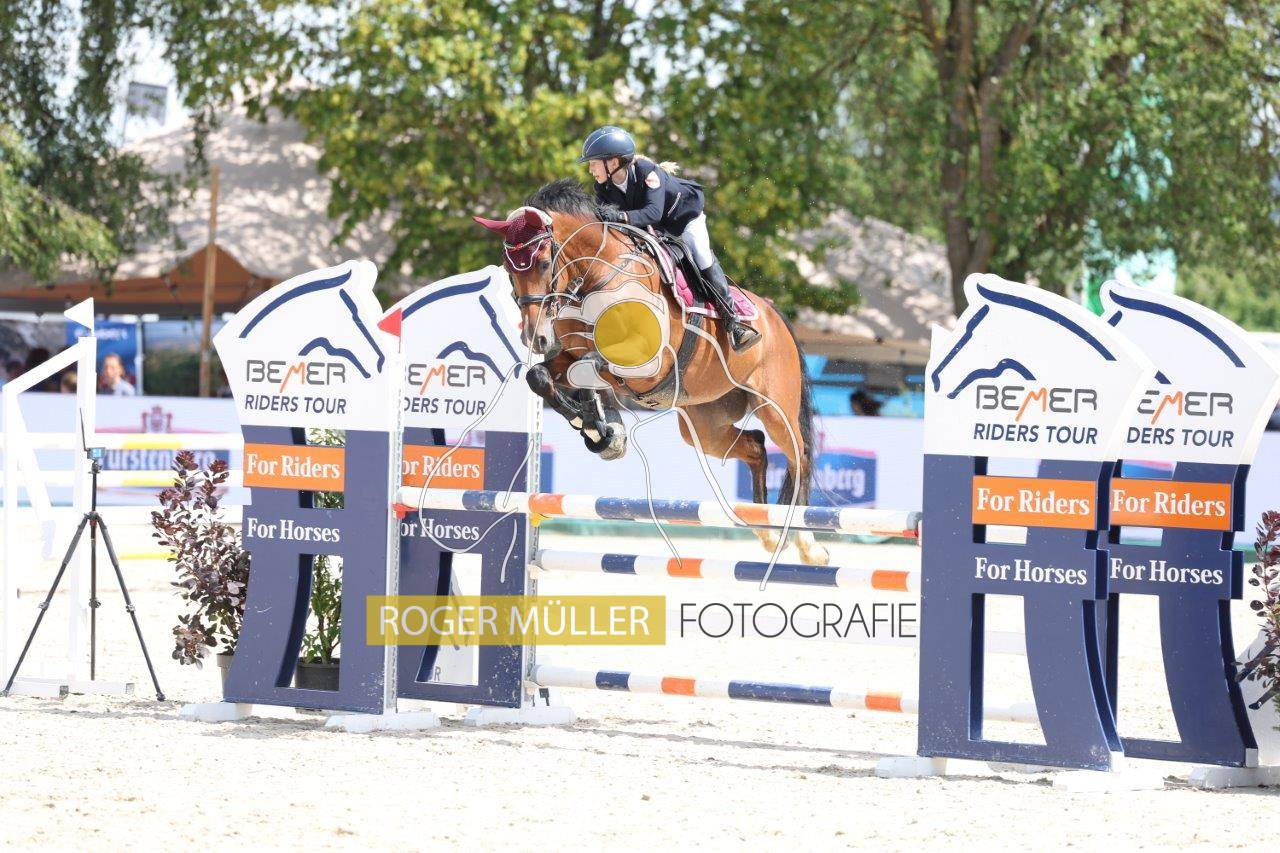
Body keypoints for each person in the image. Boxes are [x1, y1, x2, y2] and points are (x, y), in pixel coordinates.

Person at [578, 125, 760, 352]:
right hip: (656, 228)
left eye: (593, 163)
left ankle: (733, 322)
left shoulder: (647, 173)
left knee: (701, 255)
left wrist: (621, 216)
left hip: (684, 218)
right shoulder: (603, 187)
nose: (591, 170)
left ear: (612, 162)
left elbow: (653, 212)